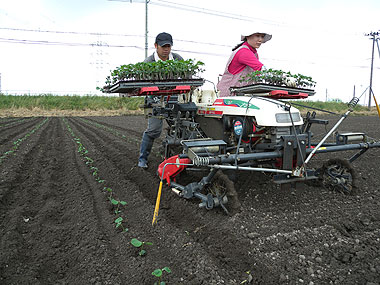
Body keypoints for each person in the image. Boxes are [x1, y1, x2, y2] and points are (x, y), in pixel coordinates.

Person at [138, 32, 184, 169]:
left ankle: (176, 158)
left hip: (174, 98)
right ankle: (143, 158)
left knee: (180, 128)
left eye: (168, 46)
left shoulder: (177, 59)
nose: (166, 49)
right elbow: (143, 83)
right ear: (156, 46)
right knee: (154, 130)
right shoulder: (149, 62)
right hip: (155, 99)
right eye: (163, 46)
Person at [217, 30, 272, 97]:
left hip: (239, 92)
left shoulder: (253, 53)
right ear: (248, 37)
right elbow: (260, 68)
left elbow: (258, 73)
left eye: (262, 37)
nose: (260, 40)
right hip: (229, 93)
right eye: (257, 36)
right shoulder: (244, 52)